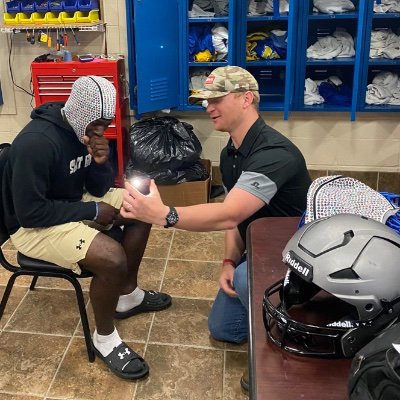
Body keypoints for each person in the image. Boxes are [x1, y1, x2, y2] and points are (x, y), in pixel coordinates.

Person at [120, 66, 311, 389]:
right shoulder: (231, 152)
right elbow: (238, 222)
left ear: (246, 99)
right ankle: (270, 306)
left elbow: (228, 214)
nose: (208, 108)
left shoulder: (274, 153)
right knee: (223, 328)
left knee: (242, 277)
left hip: (296, 260)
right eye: (206, 101)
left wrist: (167, 215)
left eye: (217, 99)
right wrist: (228, 260)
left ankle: (291, 342)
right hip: (260, 250)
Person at [1, 76, 171, 380]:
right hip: (32, 227)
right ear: (78, 112)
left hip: (69, 202)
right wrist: (93, 210)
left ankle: (126, 295)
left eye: (105, 124)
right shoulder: (36, 143)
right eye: (97, 125)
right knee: (111, 257)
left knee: (143, 207)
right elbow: (30, 213)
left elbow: (97, 186)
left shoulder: (85, 133)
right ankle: (104, 338)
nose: (101, 131)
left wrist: (100, 160)